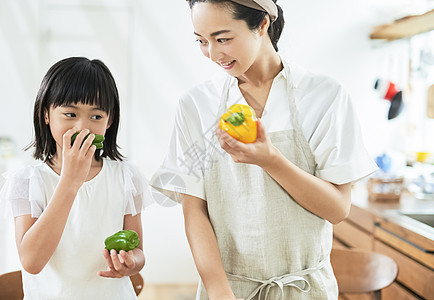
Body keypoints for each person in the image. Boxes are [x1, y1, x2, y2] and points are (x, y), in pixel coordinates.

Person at [150, 0, 377, 299]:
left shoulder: (323, 97)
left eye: (223, 39)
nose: (213, 54)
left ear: (262, 24)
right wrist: (219, 291)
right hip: (230, 289)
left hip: (304, 290)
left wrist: (272, 161)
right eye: (202, 41)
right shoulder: (197, 104)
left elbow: (337, 209)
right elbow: (194, 210)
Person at [0, 57, 153, 299]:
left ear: (110, 120)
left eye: (96, 117)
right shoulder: (27, 181)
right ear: (46, 114)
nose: (83, 127)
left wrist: (132, 263)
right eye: (70, 114)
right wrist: (70, 180)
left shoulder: (126, 177)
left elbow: (138, 251)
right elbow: (32, 261)